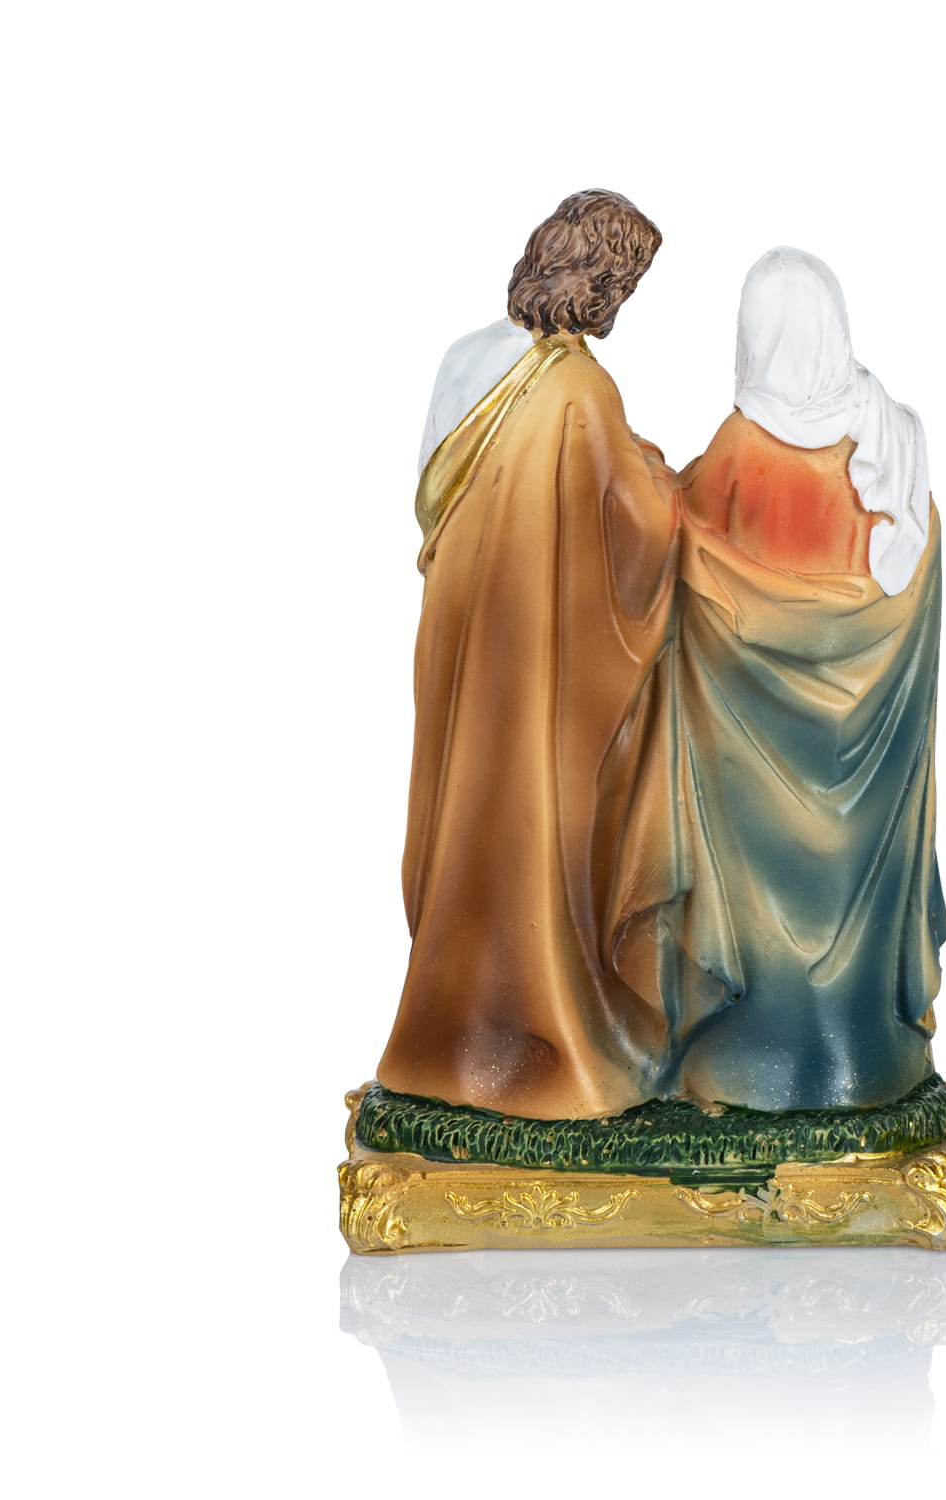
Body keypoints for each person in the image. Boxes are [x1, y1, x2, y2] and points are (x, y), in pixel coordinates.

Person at [614, 247, 946, 1113]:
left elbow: (683, 547)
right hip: (866, 790)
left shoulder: (745, 452)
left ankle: (749, 1062)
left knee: (754, 918)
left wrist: (637, 473)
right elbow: (907, 575)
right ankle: (861, 1056)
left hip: (753, 780)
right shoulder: (893, 448)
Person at [375, 191, 679, 1120]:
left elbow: (433, 499)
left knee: (464, 800)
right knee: (528, 817)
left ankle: (446, 1028)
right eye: (626, 282)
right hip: (532, 648)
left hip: (459, 624)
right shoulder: (579, 387)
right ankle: (538, 1032)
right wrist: (665, 479)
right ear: (601, 280)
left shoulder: (466, 356)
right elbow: (638, 528)